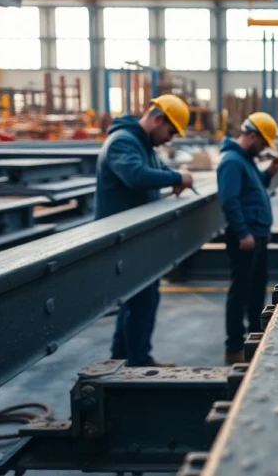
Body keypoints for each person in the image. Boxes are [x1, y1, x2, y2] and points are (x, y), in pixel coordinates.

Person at [96, 95, 194, 366]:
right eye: (170, 131)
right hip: (122, 238)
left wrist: (175, 175)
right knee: (142, 302)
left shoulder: (144, 145)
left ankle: (122, 359)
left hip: (135, 237)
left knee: (137, 301)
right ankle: (138, 364)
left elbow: (160, 169)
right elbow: (135, 175)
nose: (170, 139)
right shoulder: (123, 142)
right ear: (158, 119)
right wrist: (177, 178)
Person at [218, 112, 278, 364]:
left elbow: (252, 190)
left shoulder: (245, 160)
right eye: (264, 143)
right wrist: (243, 232)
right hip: (245, 238)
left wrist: (269, 173)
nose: (265, 148)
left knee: (256, 291)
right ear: (253, 136)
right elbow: (229, 199)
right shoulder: (232, 161)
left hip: (257, 236)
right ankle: (234, 348)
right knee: (240, 293)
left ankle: (254, 340)